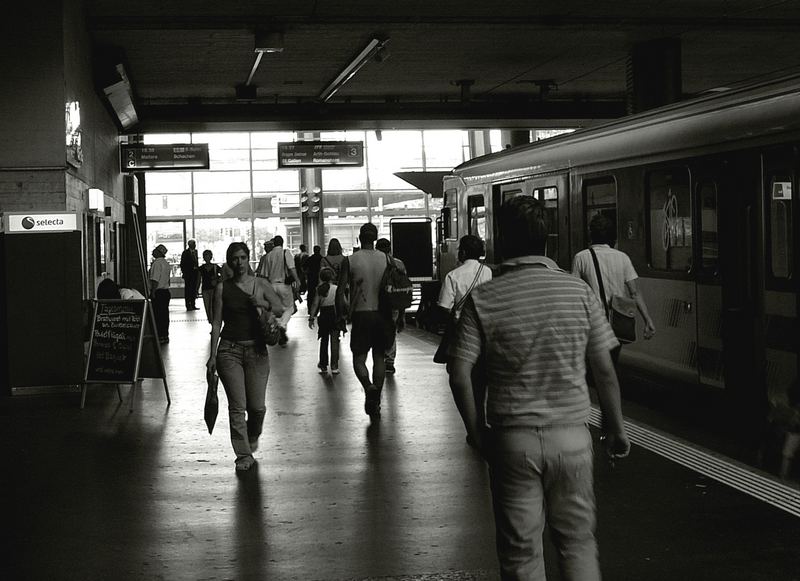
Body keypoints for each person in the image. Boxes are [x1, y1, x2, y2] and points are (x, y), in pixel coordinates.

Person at [449, 196, 630, 579]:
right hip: (572, 437)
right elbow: (605, 372)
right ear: (546, 239)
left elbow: (459, 371)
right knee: (578, 543)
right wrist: (616, 429)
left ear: (501, 239)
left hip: (512, 441)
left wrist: (475, 431)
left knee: (520, 553)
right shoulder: (578, 292)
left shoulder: (483, 297)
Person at [206, 242, 284, 472]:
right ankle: (243, 455)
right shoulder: (223, 288)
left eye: (242, 258)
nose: (238, 263)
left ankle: (253, 433)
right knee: (237, 407)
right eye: (234, 259)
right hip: (229, 351)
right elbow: (217, 322)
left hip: (257, 351)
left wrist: (262, 303)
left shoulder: (261, 284)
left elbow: (279, 308)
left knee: (257, 407)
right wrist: (212, 355)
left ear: (248, 258)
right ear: (229, 261)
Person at [572, 213, 656, 364]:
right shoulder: (623, 257)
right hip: (618, 325)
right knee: (612, 365)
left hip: (593, 325)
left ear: (591, 235)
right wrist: (647, 320)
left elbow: (574, 294)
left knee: (594, 371)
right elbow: (635, 293)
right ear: (612, 237)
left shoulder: (581, 258)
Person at [336, 223, 395, 418]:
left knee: (359, 359)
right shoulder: (386, 259)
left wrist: (341, 317)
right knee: (379, 357)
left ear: (359, 238)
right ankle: (376, 399)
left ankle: (368, 387)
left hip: (361, 315)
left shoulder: (351, 260)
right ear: (376, 238)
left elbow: (340, 291)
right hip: (382, 315)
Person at [258, 235, 298, 346]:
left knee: (275, 310)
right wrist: (297, 280)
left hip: (271, 286)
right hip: (284, 285)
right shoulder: (286, 253)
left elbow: (264, 275)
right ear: (282, 242)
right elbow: (291, 268)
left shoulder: (268, 256)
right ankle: (282, 325)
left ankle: (278, 331)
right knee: (289, 308)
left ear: (274, 244)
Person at [376, 238, 406, 375]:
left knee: (378, 331)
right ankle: (389, 360)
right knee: (391, 331)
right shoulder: (398, 264)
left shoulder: (374, 263)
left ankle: (379, 358)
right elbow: (403, 288)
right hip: (393, 302)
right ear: (390, 248)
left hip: (377, 302)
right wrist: (402, 312)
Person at [307, 267, 341, 375]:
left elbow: (315, 304)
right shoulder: (336, 288)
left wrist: (311, 317)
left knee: (324, 340)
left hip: (324, 316)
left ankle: (323, 365)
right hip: (335, 315)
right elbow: (344, 302)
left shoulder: (319, 289)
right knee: (335, 341)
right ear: (333, 276)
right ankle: (334, 366)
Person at [148, 244, 172, 344]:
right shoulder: (166, 263)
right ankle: (165, 335)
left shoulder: (157, 264)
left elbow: (155, 279)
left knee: (157, 315)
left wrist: (152, 292)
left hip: (158, 292)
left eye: (155, 250)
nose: (153, 252)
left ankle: (159, 335)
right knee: (164, 315)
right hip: (166, 291)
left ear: (158, 252)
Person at [199, 250, 222, 323]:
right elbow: (198, 279)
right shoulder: (201, 268)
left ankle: (213, 323)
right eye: (205, 256)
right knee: (207, 307)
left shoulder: (215, 267)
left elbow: (222, 276)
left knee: (213, 307)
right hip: (205, 289)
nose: (207, 257)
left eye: (208, 255)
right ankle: (211, 321)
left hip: (214, 289)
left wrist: (217, 280)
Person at [180, 239, 200, 311]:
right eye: (193, 244)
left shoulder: (196, 252)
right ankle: (188, 305)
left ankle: (193, 304)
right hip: (188, 274)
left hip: (195, 273)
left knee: (194, 289)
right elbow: (182, 264)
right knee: (188, 289)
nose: (195, 245)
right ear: (190, 245)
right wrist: (184, 272)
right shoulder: (185, 253)